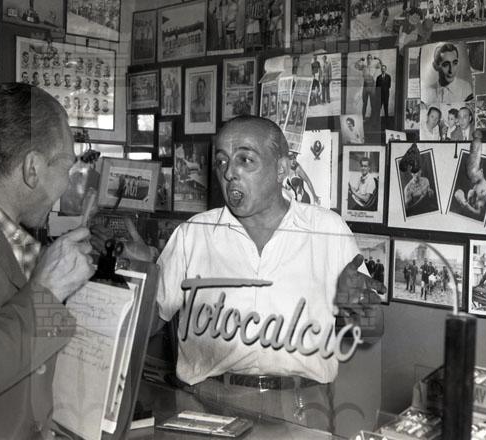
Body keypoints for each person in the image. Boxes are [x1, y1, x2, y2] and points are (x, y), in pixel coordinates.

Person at [137, 116, 382, 430]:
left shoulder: (327, 230)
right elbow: (148, 323)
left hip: (301, 407)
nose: (229, 172)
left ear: (281, 169)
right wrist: (141, 275)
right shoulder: (193, 235)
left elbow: (371, 332)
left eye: (245, 160)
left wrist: (359, 307)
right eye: (222, 161)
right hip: (207, 403)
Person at [0, 83, 95, 438]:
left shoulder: (4, 234)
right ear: (32, 168)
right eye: (66, 167)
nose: (67, 185)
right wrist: (46, 292)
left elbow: (25, 355)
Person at [453, 130, 486, 220]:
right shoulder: (476, 186)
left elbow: (478, 213)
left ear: (481, 171)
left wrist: (466, 205)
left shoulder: (485, 189)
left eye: (473, 175)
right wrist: (465, 199)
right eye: (470, 176)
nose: (471, 179)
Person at [354, 54, 383, 120]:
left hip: (372, 85)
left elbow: (382, 64)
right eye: (368, 58)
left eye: (370, 58)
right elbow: (355, 66)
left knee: (373, 103)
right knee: (364, 103)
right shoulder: (363, 67)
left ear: (371, 59)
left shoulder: (374, 66)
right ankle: (363, 118)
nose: (369, 59)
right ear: (367, 59)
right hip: (365, 85)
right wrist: (360, 60)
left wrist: (377, 58)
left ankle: (372, 118)